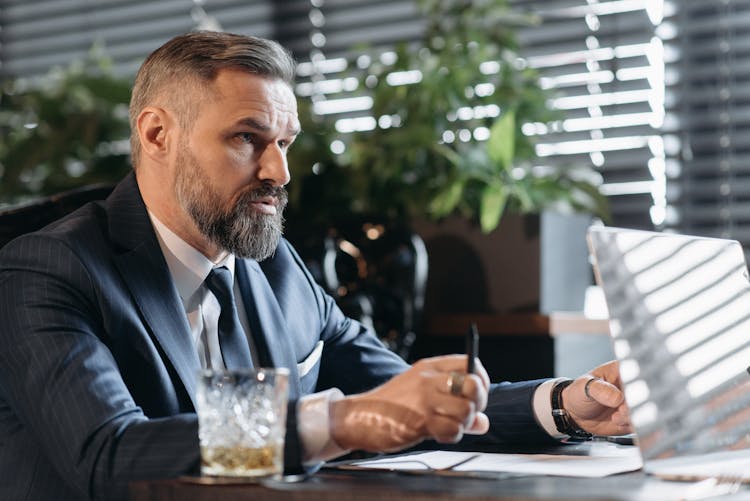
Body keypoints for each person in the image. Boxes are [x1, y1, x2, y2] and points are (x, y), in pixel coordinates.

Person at [0, 31, 630, 501]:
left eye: (285, 143)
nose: (279, 173)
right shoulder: (50, 269)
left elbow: (411, 399)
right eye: (247, 138)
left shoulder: (272, 265)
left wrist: (568, 404)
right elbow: (109, 456)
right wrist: (339, 420)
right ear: (158, 135)